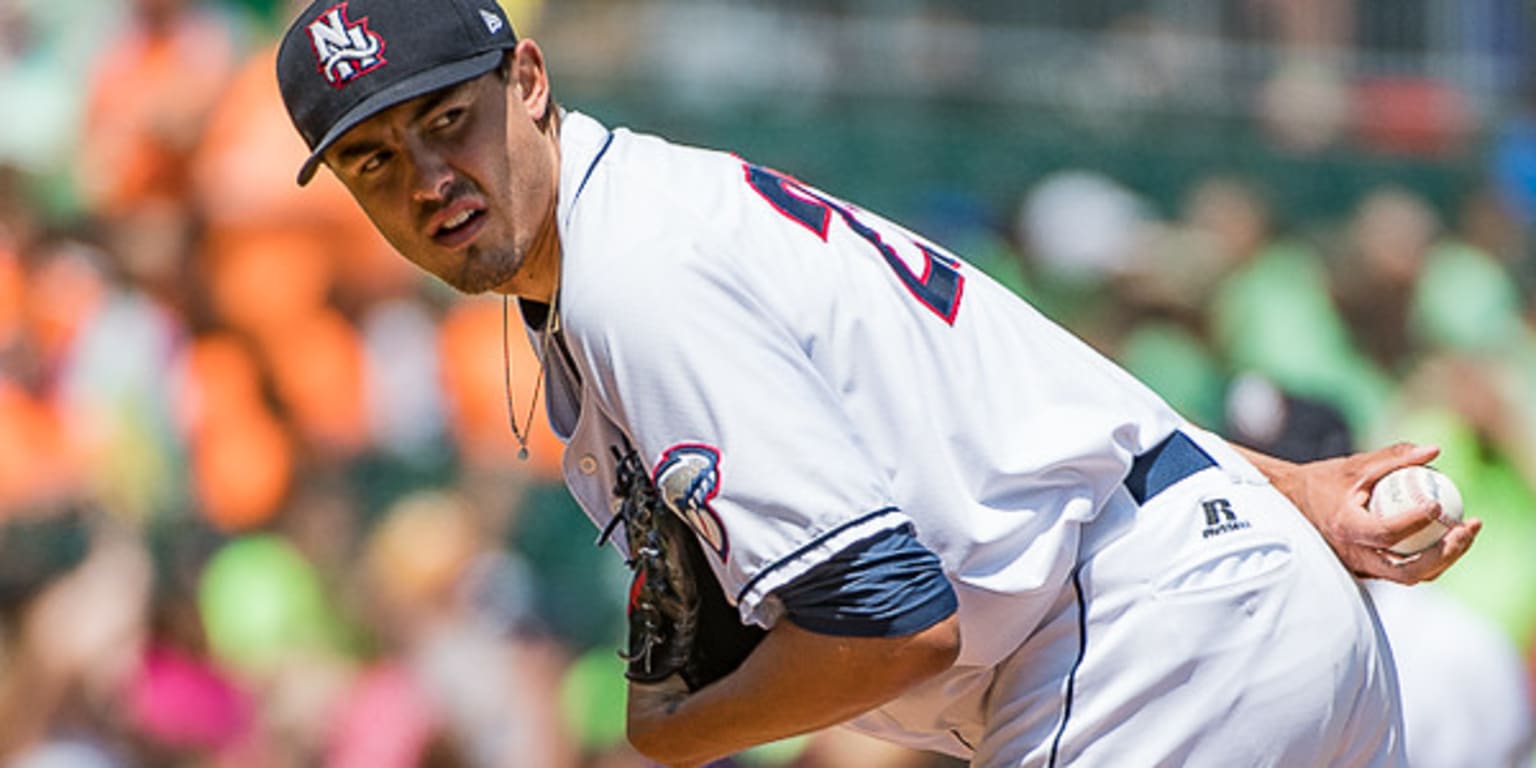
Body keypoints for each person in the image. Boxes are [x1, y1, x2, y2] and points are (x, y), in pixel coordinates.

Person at [274, 2, 1483, 765]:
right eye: (378, 160)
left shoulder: (633, 274)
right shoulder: (652, 212)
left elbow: (896, 625)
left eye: (447, 121)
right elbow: (1017, 384)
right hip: (1238, 613)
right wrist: (1282, 489)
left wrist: (673, 739)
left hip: (1139, 668)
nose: (429, 177)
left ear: (527, 81)